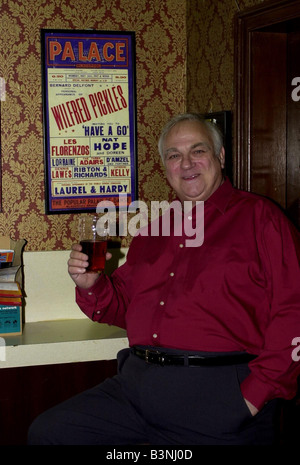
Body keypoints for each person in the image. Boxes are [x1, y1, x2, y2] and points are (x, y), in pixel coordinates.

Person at [28, 113, 300, 445]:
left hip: (218, 393)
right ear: (165, 167)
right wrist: (93, 286)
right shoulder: (153, 231)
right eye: (174, 155)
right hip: (137, 388)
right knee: (52, 433)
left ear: (221, 156)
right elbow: (124, 309)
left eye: (197, 151)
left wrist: (254, 396)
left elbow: (294, 312)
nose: (186, 163)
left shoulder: (262, 219)